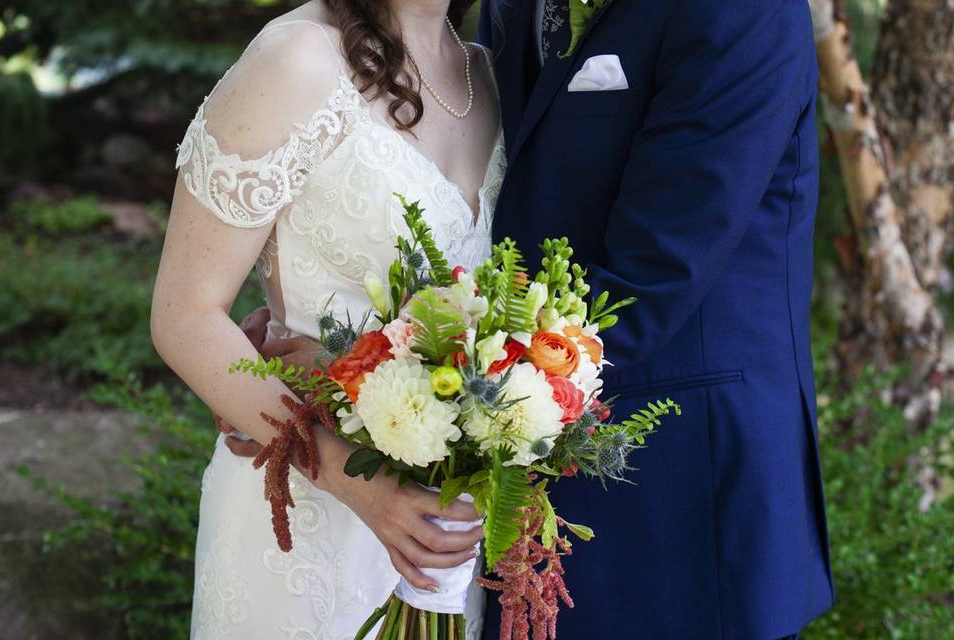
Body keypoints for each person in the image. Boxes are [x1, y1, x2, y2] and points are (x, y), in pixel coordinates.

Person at [477, 0, 835, 638]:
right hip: (522, 471)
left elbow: (659, 269)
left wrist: (468, 406)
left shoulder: (743, 11)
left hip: (685, 481)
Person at [149, 1, 503, 637]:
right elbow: (185, 315)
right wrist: (360, 486)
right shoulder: (298, 57)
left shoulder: (489, 73)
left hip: (446, 536)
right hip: (304, 509)